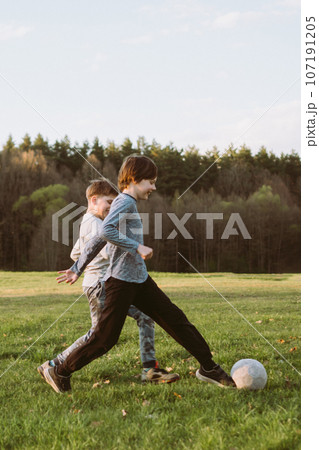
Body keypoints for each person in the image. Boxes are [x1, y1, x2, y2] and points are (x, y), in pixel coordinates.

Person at [43, 155, 236, 393]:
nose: (154, 187)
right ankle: (59, 369)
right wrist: (137, 246)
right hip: (121, 281)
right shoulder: (124, 201)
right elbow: (105, 231)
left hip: (139, 279)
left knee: (175, 319)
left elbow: (97, 239)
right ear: (134, 179)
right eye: (150, 181)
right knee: (104, 339)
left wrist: (77, 267)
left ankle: (209, 367)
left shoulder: (126, 203)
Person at [38, 179, 179, 384]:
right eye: (109, 202)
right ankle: (54, 366)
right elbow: (107, 252)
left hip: (108, 283)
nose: (113, 207)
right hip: (101, 286)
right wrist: (135, 248)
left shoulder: (89, 222)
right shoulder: (95, 224)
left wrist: (81, 265)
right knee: (98, 336)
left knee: (145, 316)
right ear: (94, 200)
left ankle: (150, 369)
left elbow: (76, 251)